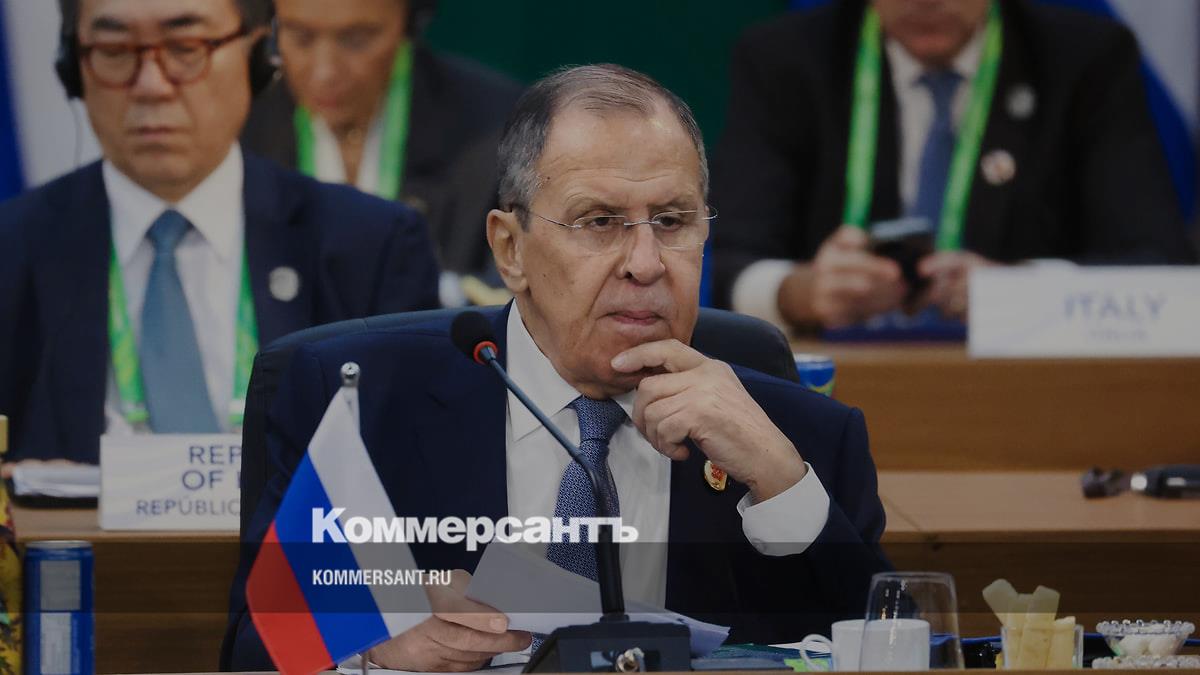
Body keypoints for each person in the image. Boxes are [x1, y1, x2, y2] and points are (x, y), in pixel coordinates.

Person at [225, 64, 889, 671]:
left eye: (672, 220)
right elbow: (254, 651)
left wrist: (782, 483)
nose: (646, 263)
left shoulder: (803, 439)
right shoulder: (364, 408)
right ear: (510, 249)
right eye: (599, 221)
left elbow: (889, 646)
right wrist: (370, 645)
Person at [0, 0, 440, 465]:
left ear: (259, 55)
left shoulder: (371, 246)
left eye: (186, 47)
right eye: (114, 50)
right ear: (73, 67)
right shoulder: (12, 251)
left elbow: (419, 468)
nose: (151, 86)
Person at [711, 0, 1195, 330]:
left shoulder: (1084, 59)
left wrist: (1017, 295)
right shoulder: (785, 60)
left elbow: (1157, 264)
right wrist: (801, 293)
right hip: (843, 385)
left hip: (1027, 391)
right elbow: (726, 266)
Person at [241, 0, 522, 305]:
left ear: (409, 19)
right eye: (300, 37)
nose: (325, 72)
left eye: (356, 40)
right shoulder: (237, 126)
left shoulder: (498, 129)